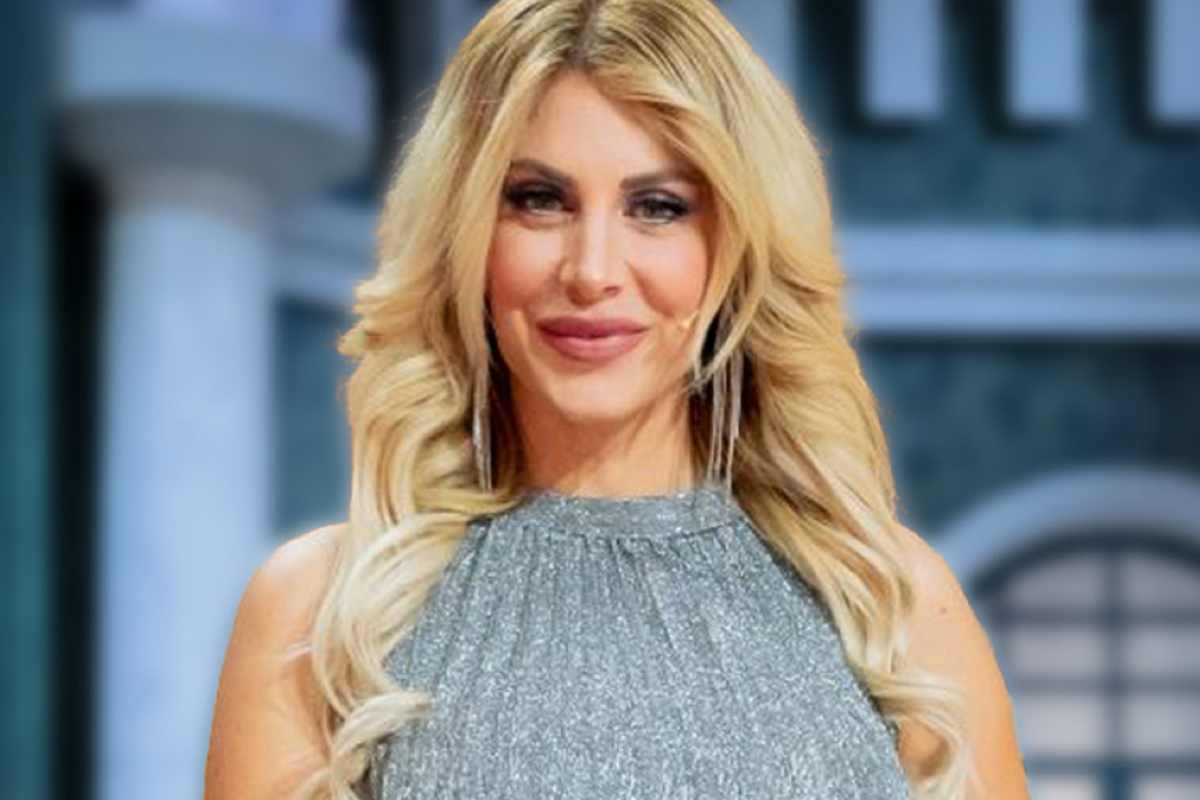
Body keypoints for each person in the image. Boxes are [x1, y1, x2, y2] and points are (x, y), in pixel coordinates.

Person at [204, 1, 1029, 798]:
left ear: (738, 247)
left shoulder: (894, 606)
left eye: (658, 208)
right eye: (539, 200)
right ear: (466, 234)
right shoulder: (320, 615)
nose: (592, 270)